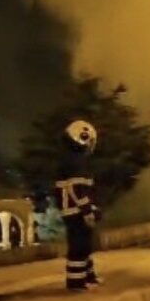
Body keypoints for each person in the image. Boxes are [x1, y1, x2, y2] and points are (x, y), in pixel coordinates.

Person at [55, 120, 101, 291]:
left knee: (85, 245)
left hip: (76, 210)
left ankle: (87, 277)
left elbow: (85, 189)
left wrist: (93, 207)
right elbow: (77, 189)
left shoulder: (75, 159)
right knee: (79, 246)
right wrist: (87, 210)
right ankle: (76, 283)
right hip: (75, 211)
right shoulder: (75, 161)